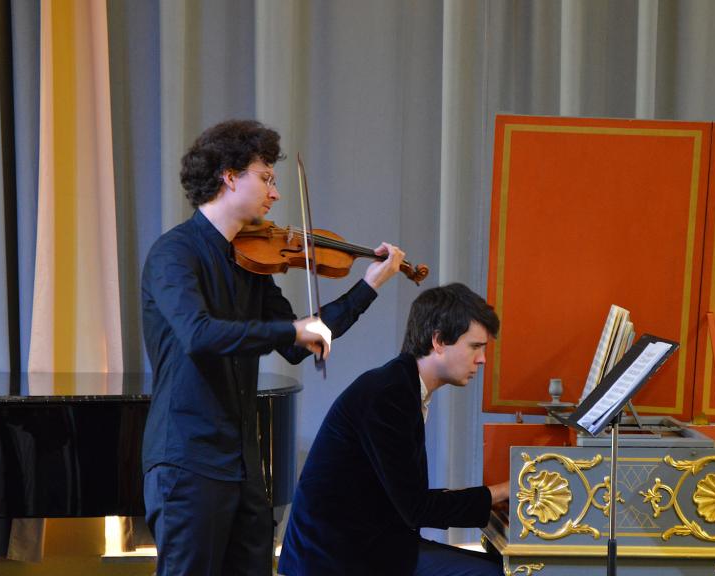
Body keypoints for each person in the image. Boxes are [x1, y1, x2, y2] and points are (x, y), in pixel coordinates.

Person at [140, 119, 404, 575]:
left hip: (242, 466)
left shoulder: (251, 264)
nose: (276, 194)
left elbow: (302, 342)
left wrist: (369, 286)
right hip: (187, 461)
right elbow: (200, 336)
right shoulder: (174, 254)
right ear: (229, 175)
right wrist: (290, 332)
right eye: (266, 178)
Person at [278, 283, 510, 576]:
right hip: (339, 559)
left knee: (499, 566)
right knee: (497, 573)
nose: (482, 359)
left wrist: (488, 497)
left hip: (369, 543)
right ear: (438, 341)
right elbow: (416, 508)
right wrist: (500, 492)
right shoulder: (390, 395)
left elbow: (405, 495)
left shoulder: (402, 385)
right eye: (475, 346)